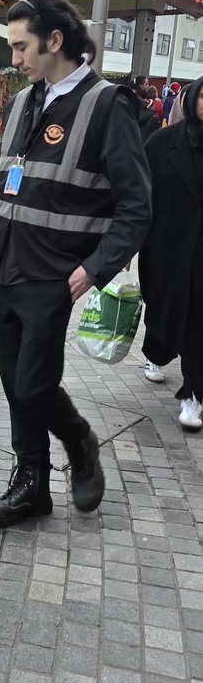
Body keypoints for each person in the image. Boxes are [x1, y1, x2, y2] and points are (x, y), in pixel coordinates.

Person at [0, 0, 151, 529]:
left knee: (34, 384)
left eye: (21, 47)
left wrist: (95, 270)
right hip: (0, 264)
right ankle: (31, 484)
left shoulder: (107, 105)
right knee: (17, 384)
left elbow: (137, 207)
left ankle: (80, 442)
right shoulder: (21, 103)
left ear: (55, 41)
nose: (13, 60)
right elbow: (18, 189)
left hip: (53, 274)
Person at [139, 77, 203, 430]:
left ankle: (194, 395)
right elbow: (141, 198)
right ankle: (157, 355)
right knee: (164, 309)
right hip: (167, 247)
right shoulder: (162, 144)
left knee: (198, 322)